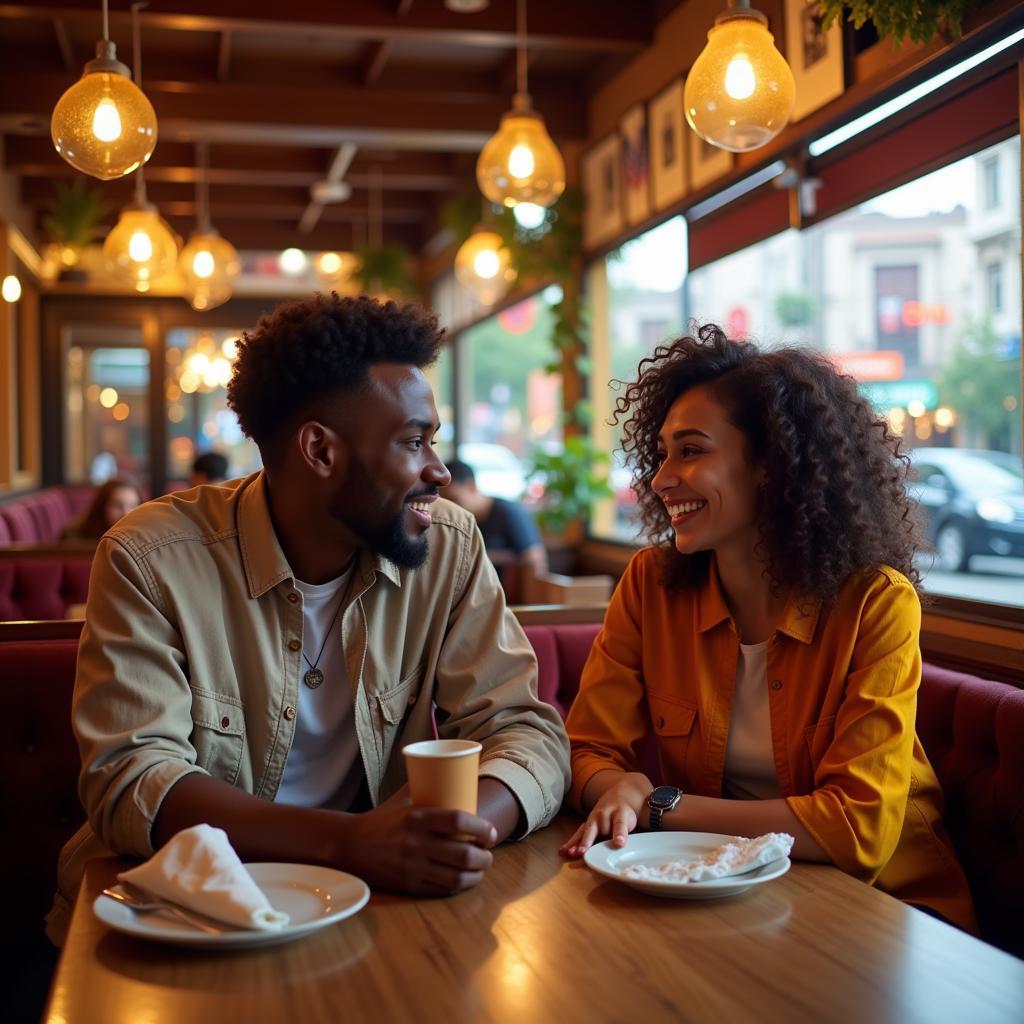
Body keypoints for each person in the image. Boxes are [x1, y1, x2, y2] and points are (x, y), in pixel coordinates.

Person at [48, 294, 569, 942]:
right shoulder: (150, 559)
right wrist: (350, 842)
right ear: (321, 451)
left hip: (377, 909)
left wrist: (450, 836)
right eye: (414, 441)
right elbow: (131, 781)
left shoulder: (447, 545)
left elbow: (523, 729)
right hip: (182, 919)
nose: (439, 470)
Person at [560, 324, 976, 932]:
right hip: (729, 892)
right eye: (663, 452)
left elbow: (858, 831)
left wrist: (655, 807)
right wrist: (614, 782)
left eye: (692, 450)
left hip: (888, 911)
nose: (660, 477)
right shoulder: (652, 585)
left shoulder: (876, 603)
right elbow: (583, 747)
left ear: (770, 466)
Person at [442, 459, 547, 584]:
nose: (450, 507)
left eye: (454, 499)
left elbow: (534, 558)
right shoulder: (460, 520)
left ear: (471, 487)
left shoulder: (508, 512)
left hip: (510, 596)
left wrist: (479, 556)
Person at [59, 477, 141, 540]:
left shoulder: (143, 538)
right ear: (102, 506)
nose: (126, 513)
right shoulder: (73, 537)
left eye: (132, 506)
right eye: (117, 505)